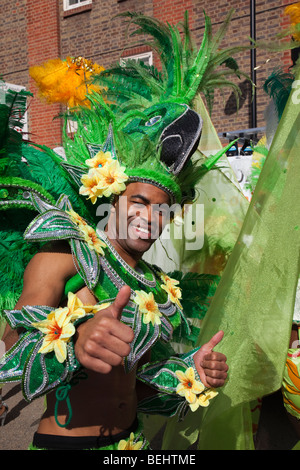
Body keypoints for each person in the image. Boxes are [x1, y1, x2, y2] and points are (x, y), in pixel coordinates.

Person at [1, 180, 228, 450]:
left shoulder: (156, 288)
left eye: (162, 211)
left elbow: (133, 387)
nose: (150, 217)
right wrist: (76, 339)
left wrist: (189, 372)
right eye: (139, 202)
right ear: (112, 202)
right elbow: (8, 348)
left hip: (132, 442)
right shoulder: (65, 255)